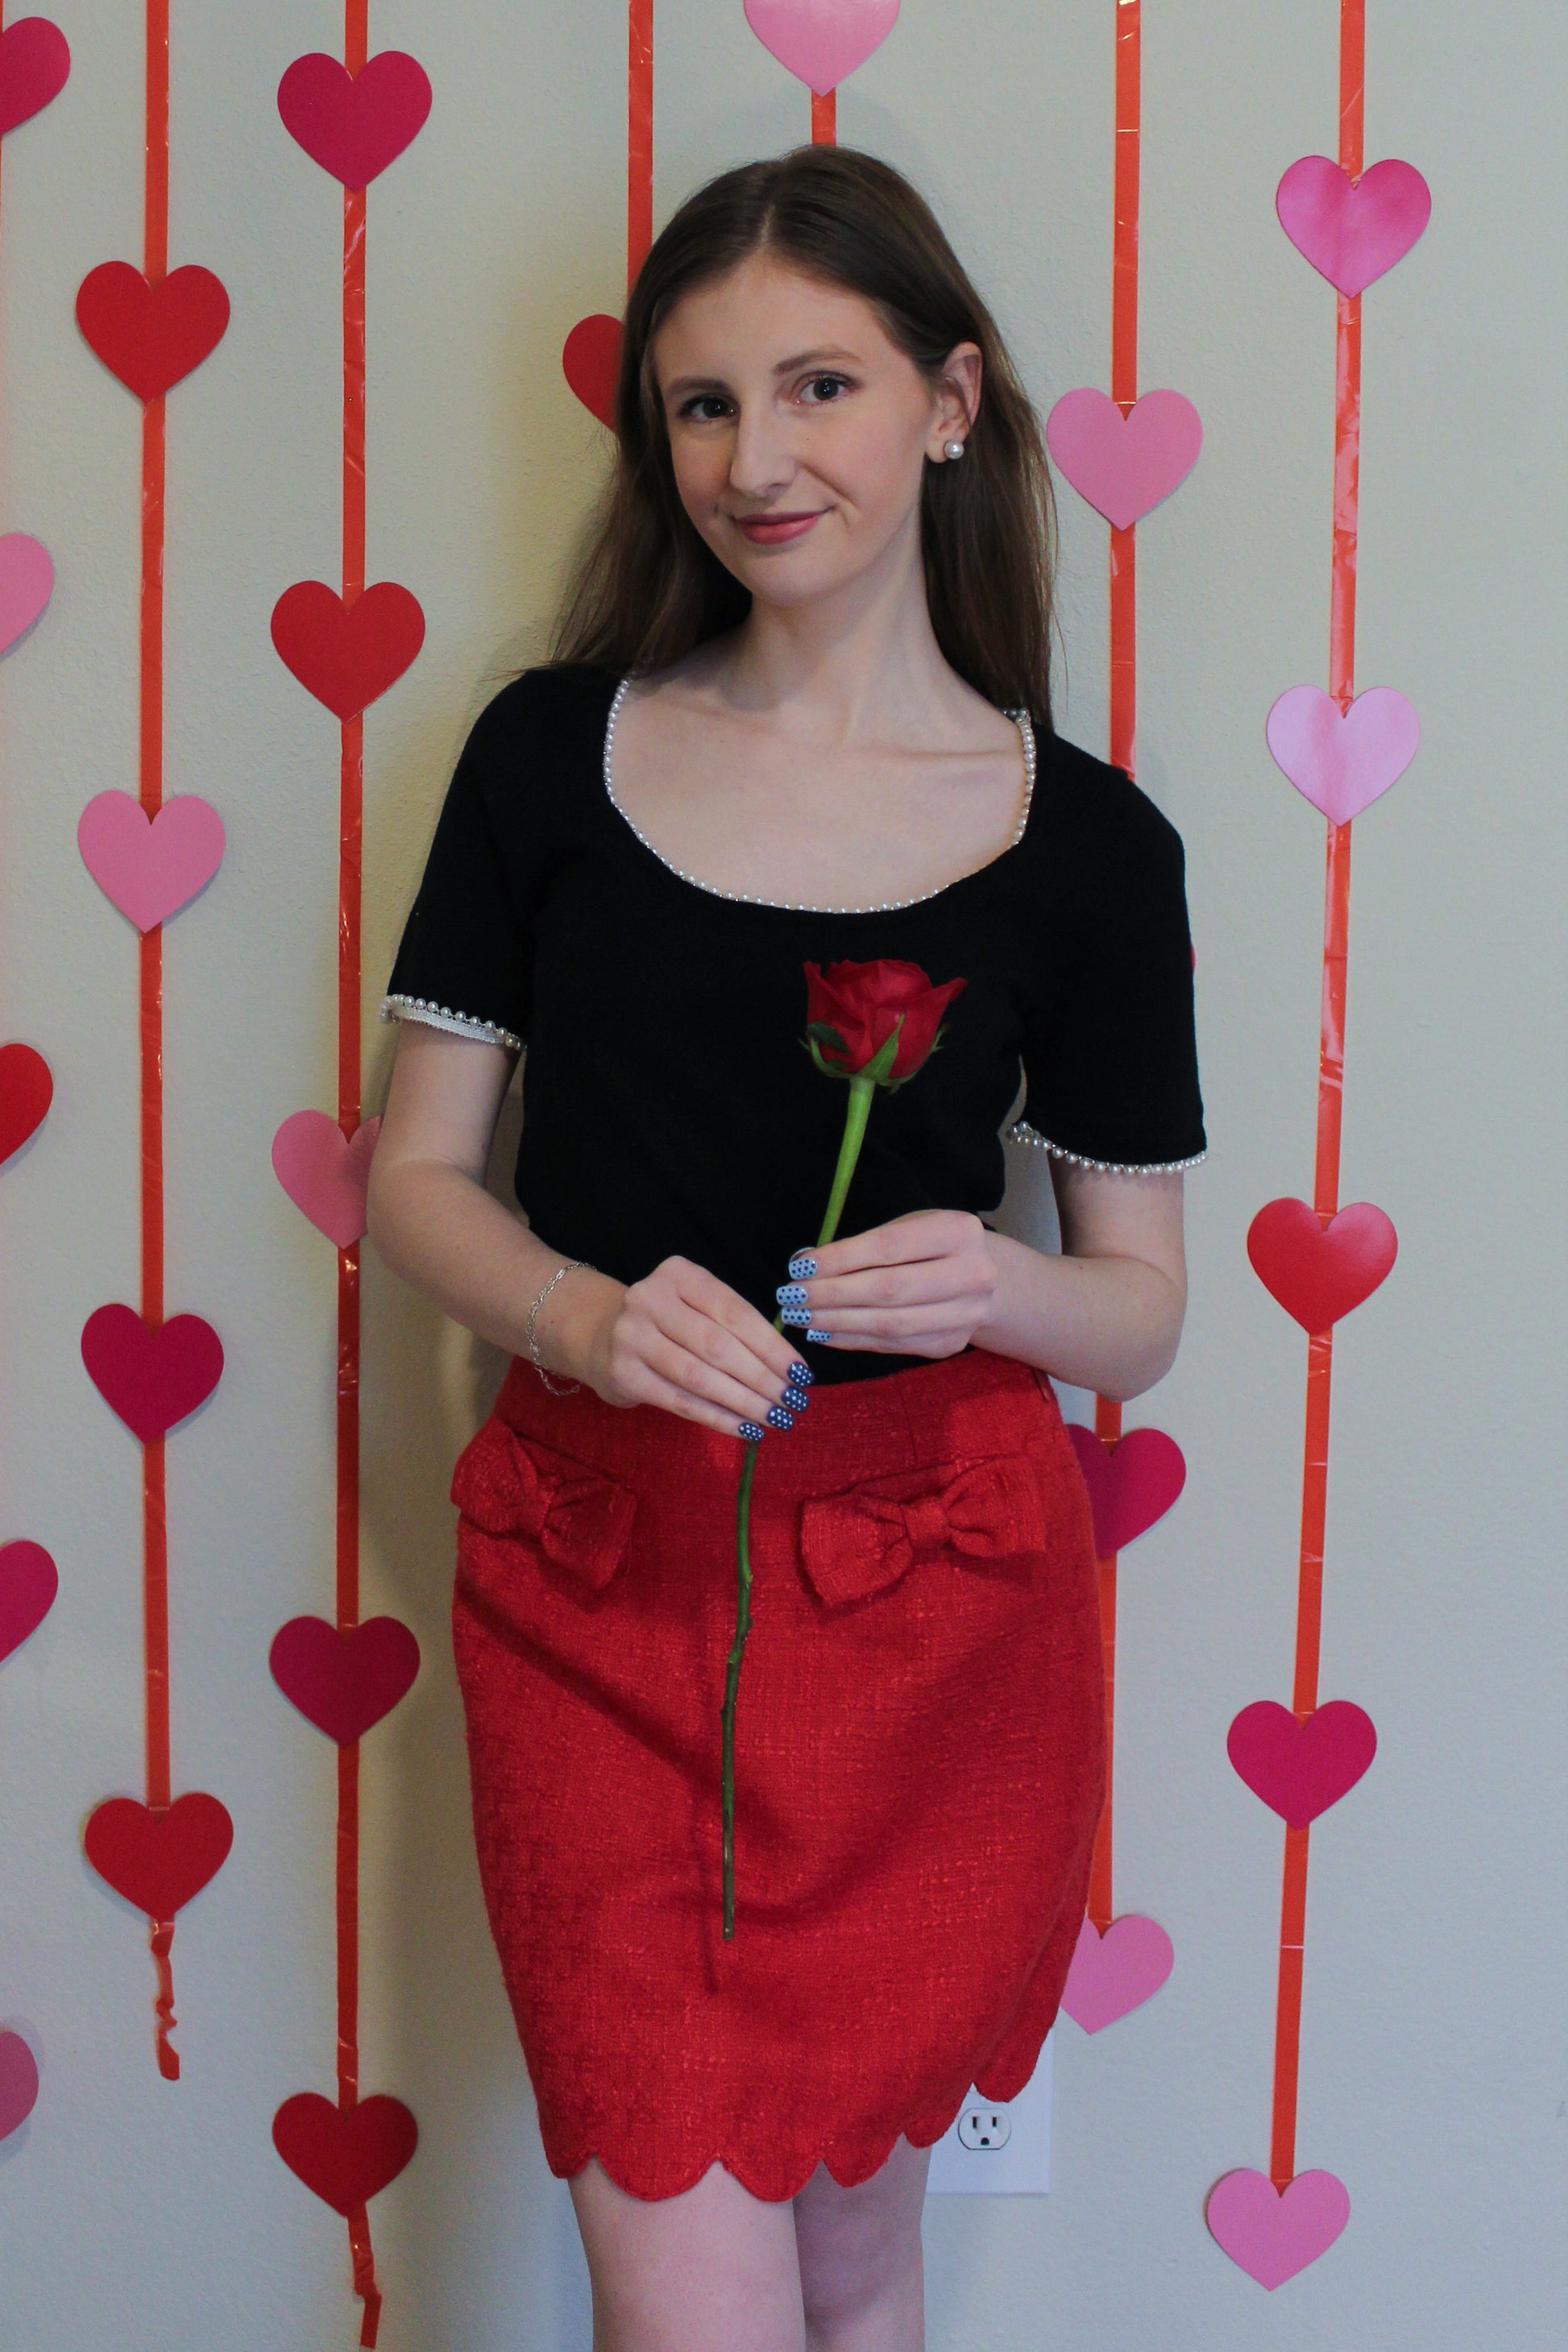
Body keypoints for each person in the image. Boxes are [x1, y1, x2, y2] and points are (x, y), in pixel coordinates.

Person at [367, 144, 1204, 2352]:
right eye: (702, 404)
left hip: (934, 1617)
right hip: (595, 1585)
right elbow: (414, 1184)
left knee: (853, 2258)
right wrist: (571, 1310)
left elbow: (1137, 1313)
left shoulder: (1091, 847)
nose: (756, 457)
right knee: (690, 2287)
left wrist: (989, 1284)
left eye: (817, 386)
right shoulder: (547, 758)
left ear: (947, 403)